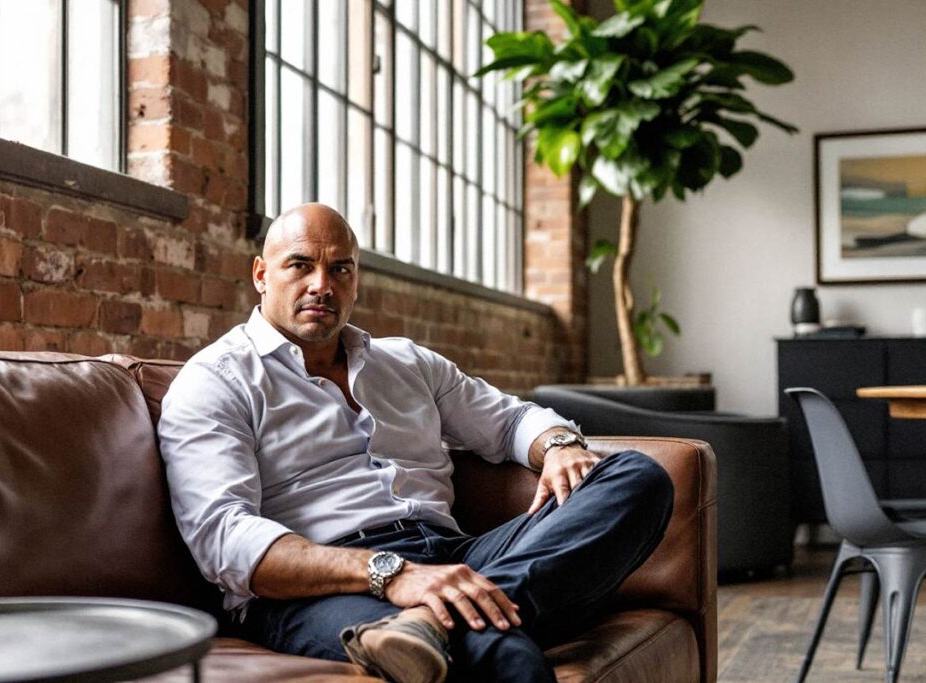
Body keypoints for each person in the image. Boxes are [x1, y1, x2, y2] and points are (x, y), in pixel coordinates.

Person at [158, 203, 674, 682]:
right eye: (300, 265)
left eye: (341, 269)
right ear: (260, 275)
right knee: (503, 656)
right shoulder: (218, 380)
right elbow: (224, 539)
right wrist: (390, 573)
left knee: (636, 477)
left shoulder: (407, 363)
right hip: (321, 585)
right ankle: (461, 618)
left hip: (455, 555)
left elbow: (511, 421)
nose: (322, 285)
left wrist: (559, 444)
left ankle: (427, 621)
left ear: (356, 281)